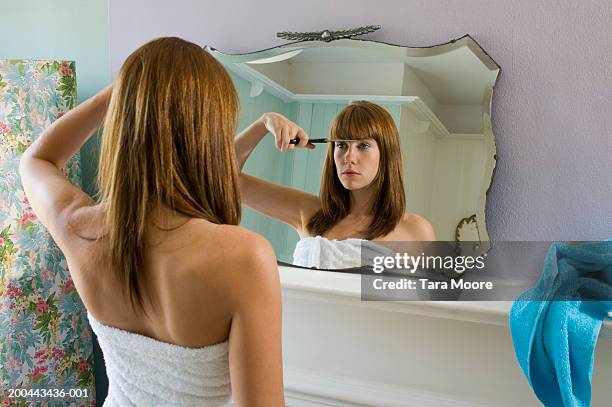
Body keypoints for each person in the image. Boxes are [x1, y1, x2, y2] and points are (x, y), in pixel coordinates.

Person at [19, 37, 284, 406]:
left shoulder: (77, 228)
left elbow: (37, 160)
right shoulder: (244, 256)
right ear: (211, 132)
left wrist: (125, 92)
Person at [235, 101, 436, 268]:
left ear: (387, 155)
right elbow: (224, 180)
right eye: (341, 145)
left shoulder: (414, 230)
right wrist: (264, 122)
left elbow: (426, 308)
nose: (349, 157)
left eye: (363, 145)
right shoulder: (309, 211)